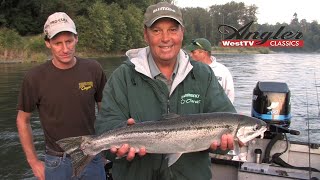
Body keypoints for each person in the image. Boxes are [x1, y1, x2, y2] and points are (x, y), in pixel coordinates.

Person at [95, 2, 236, 180]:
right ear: (145, 34)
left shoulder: (203, 75)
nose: (165, 38)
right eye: (156, 31)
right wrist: (117, 144)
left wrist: (224, 146)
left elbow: (227, 118)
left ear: (182, 33)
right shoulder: (122, 76)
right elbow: (105, 126)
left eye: (172, 30)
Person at [16, 12, 107, 180]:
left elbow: (107, 111)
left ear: (76, 38)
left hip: (92, 157)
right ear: (47, 43)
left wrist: (108, 146)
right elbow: (23, 120)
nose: (65, 49)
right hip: (57, 162)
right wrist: (33, 162)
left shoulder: (93, 69)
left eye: (69, 41)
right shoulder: (34, 78)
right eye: (58, 43)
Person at [187, 38, 235, 103]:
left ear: (203, 53)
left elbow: (230, 94)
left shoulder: (223, 71)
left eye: (193, 52)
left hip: (217, 111)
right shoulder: (187, 70)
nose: (190, 55)